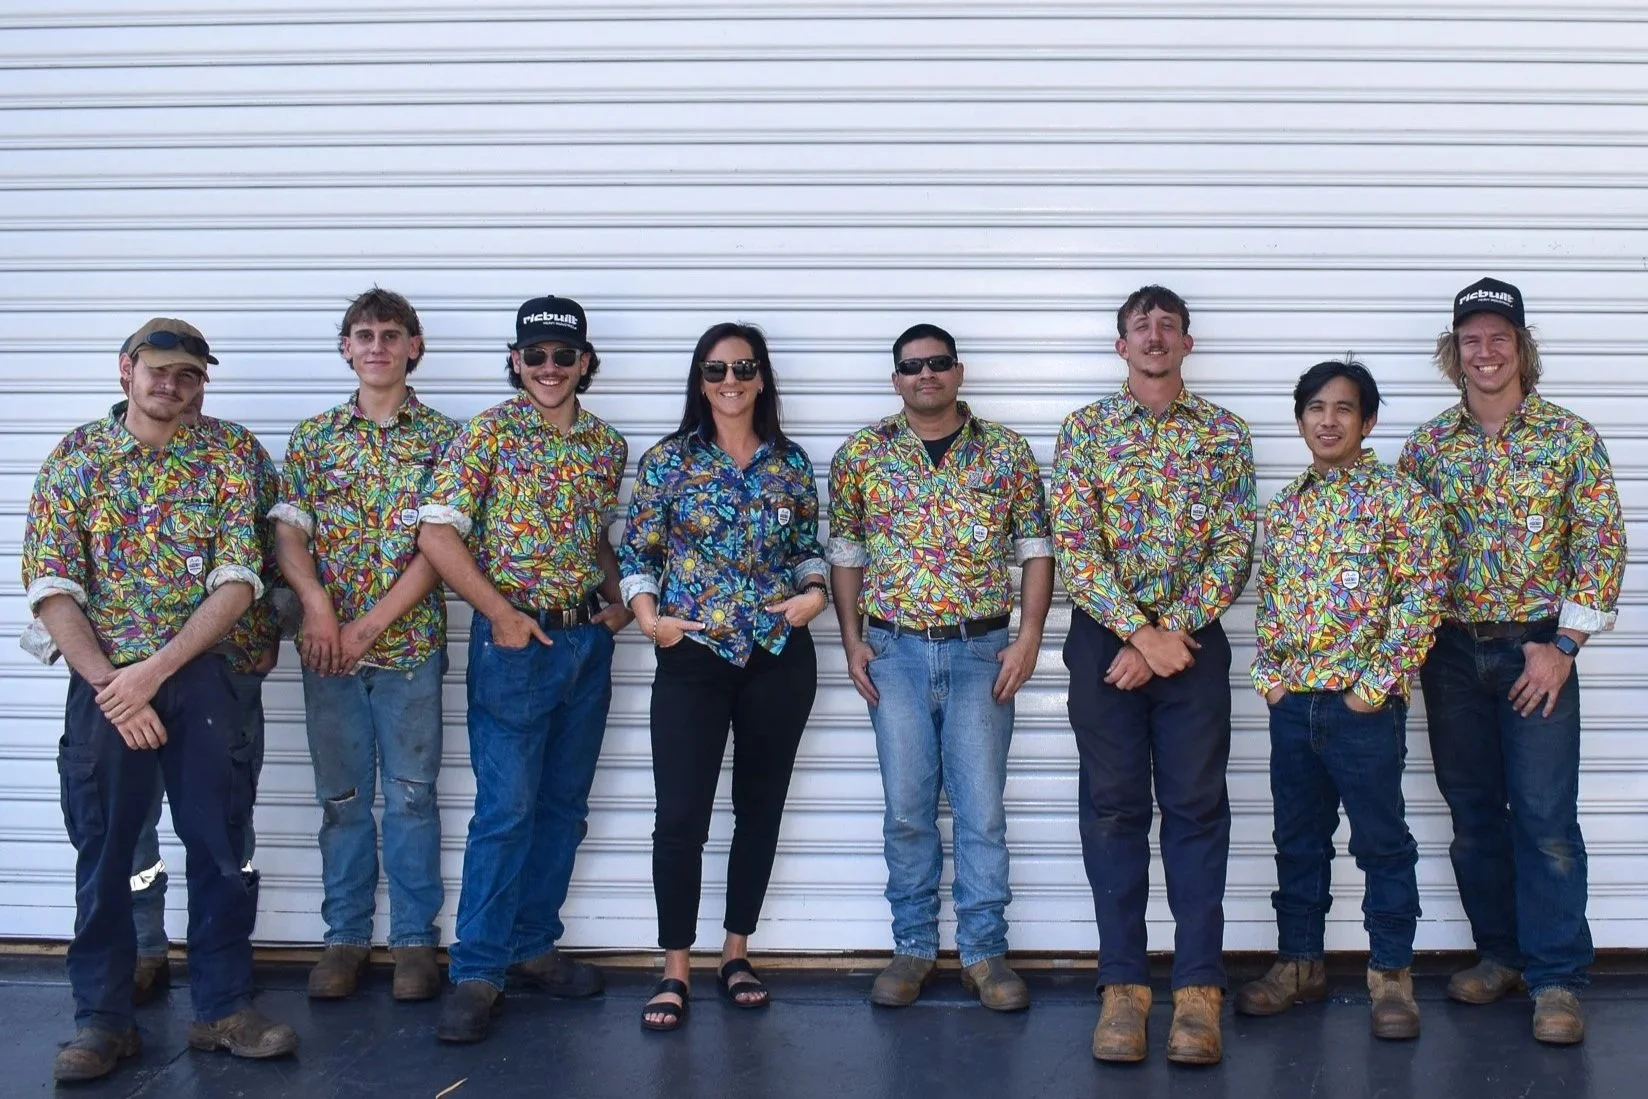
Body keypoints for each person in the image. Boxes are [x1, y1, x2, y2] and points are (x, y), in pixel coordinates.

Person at [23, 318, 298, 1083]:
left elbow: (240, 579)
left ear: (201, 382)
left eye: (188, 374)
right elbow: (51, 586)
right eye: (159, 370)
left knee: (220, 845)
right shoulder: (76, 460)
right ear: (127, 370)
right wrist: (117, 686)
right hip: (104, 683)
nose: (172, 384)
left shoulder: (228, 455)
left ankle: (223, 1008)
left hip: (202, 676)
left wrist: (155, 672)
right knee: (106, 850)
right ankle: (103, 1020)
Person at [1399, 278, 1626, 1045]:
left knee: (1545, 819)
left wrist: (1564, 647)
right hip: (1451, 653)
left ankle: (1557, 977)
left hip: (1538, 648)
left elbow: (1601, 546)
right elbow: (1405, 554)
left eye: (1499, 337)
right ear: (1454, 352)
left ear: (1521, 348)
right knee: (1473, 818)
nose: (1485, 351)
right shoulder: (1427, 448)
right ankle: (1501, 954)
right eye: (1472, 339)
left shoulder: (1570, 438)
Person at [418, 295, 631, 1043]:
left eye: (563, 355)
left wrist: (618, 600)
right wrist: (501, 613)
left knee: (563, 807)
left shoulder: (606, 445)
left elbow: (594, 535)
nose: (549, 367)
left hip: (585, 645)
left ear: (584, 362)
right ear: (515, 361)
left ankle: (533, 944)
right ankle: (478, 970)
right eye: (534, 355)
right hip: (514, 646)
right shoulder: (487, 434)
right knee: (506, 810)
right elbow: (437, 534)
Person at [1051, 285, 1256, 1065]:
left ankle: (1199, 988)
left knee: (1197, 807)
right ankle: (1124, 987)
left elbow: (1234, 546)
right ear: (1122, 346)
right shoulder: (1086, 430)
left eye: (1169, 325)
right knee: (1113, 810)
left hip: (1193, 645)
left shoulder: (1225, 434)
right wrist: (1139, 633)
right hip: (1104, 644)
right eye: (1141, 326)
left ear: (1187, 343)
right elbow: (1075, 543)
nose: (1155, 336)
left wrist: (1171, 633)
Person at [827, 323, 1053, 1013]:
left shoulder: (1006, 453)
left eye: (938, 362)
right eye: (912, 365)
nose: (925, 374)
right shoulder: (862, 454)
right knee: (906, 810)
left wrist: (1030, 637)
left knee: (982, 811)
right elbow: (846, 554)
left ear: (959, 372)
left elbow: (1036, 549)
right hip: (893, 653)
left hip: (981, 652)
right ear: (895, 378)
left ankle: (985, 953)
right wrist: (851, 639)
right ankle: (913, 947)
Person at [622, 322, 828, 1031]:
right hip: (694, 655)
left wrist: (815, 593)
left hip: (777, 653)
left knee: (759, 810)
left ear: (762, 377)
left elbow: (806, 547)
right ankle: (675, 966)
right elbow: (639, 553)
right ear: (700, 381)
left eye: (743, 368)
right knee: (680, 816)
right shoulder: (667, 461)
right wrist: (650, 620)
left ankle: (736, 953)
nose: (730, 381)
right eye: (716, 370)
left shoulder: (789, 462)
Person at [1240, 359, 1447, 1039]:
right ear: (1300, 419)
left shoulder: (1400, 500)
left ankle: (1391, 976)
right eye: (1315, 408)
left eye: (1344, 409)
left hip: (1364, 710)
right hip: (1293, 706)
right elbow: (1270, 601)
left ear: (1368, 421)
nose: (1328, 421)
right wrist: (1270, 680)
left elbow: (1422, 597)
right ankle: (1299, 963)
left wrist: (1371, 690)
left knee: (1382, 843)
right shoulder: (1286, 507)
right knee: (1297, 840)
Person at [271, 288, 459, 1002]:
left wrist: (369, 624)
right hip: (328, 654)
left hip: (408, 649)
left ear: (415, 346)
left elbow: (441, 545)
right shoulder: (314, 438)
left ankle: (413, 943)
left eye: (391, 334)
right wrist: (319, 609)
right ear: (346, 348)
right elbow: (290, 532)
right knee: (342, 799)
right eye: (364, 335)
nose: (377, 346)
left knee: (412, 797)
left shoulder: (446, 439)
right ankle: (344, 939)